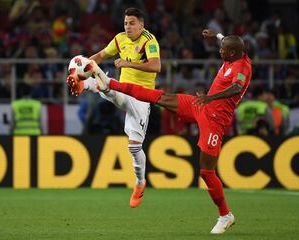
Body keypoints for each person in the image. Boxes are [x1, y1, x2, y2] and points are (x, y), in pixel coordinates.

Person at [79, 29, 252, 234]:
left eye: (223, 50)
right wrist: (217, 36)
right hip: (200, 106)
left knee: (206, 171)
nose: (220, 51)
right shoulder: (234, 50)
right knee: (159, 97)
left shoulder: (242, 67)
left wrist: (211, 98)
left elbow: (236, 87)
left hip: (215, 120)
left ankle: (225, 215)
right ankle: (110, 84)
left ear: (232, 53)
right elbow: (227, 40)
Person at [68, 7, 161, 208]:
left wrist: (128, 64)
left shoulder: (149, 40)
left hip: (142, 97)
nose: (128, 27)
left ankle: (140, 183)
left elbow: (156, 66)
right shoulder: (119, 38)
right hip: (122, 90)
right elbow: (102, 54)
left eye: (132, 23)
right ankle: (86, 83)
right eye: (126, 23)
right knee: (105, 83)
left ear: (141, 25)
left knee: (134, 147)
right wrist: (82, 66)